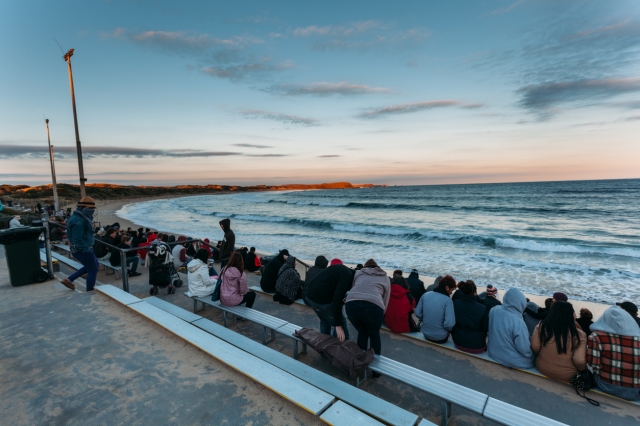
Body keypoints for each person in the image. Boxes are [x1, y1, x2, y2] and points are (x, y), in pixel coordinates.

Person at [345, 259, 390, 372]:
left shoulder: (358, 273)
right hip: (374, 306)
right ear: (377, 267)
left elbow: (353, 288)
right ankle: (376, 371)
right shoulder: (385, 277)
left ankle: (361, 365)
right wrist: (381, 314)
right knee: (374, 335)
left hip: (351, 304)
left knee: (362, 332)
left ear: (365, 267)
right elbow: (386, 298)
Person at [587, 306, 640, 401]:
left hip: (605, 385)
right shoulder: (638, 340)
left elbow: (593, 364)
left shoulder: (596, 336)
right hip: (634, 391)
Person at [531, 301, 586, 382]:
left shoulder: (541, 326)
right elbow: (579, 361)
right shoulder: (580, 335)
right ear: (572, 315)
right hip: (568, 375)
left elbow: (535, 347)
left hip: (542, 368)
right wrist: (584, 369)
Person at [305, 258, 353, 342]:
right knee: (341, 323)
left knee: (324, 320)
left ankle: (324, 345)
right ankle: (342, 349)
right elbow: (336, 300)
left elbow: (333, 289)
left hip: (309, 296)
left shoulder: (341, 270)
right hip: (321, 300)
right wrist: (337, 325)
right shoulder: (347, 276)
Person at [487, 288, 535, 369]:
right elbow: (524, 349)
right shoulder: (518, 322)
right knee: (533, 359)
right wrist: (533, 354)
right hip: (510, 359)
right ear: (521, 303)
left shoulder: (494, 310)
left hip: (492, 351)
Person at [59, 197, 99, 291]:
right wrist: (86, 250)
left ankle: (69, 280)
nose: (92, 211)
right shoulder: (79, 221)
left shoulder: (78, 216)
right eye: (91, 209)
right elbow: (77, 239)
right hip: (81, 249)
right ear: (84, 207)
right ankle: (90, 291)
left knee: (93, 265)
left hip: (79, 248)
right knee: (93, 270)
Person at [415, 274, 456, 343]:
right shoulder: (448, 301)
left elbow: (417, 313)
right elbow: (449, 324)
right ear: (447, 288)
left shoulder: (426, 295)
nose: (451, 292)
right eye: (452, 289)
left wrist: (425, 318)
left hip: (425, 334)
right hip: (440, 338)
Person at [451, 280, 489, 353]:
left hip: (458, 342)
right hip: (477, 346)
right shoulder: (482, 308)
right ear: (474, 293)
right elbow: (485, 329)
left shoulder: (454, 304)